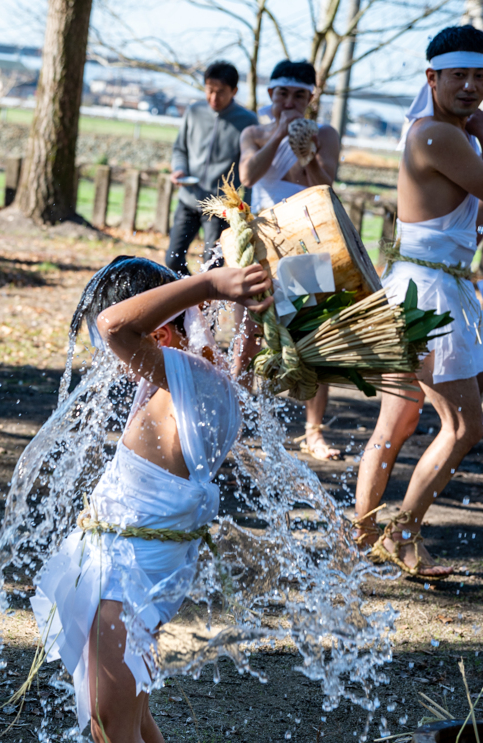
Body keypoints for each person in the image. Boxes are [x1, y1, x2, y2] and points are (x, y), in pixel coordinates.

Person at [31, 255, 273, 743]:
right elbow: (140, 329)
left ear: (158, 328)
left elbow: (114, 325)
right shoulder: (206, 374)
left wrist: (207, 286)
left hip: (130, 570)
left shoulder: (181, 373)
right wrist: (228, 300)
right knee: (125, 718)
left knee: (112, 724)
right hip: (129, 559)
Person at [354, 25, 483, 578]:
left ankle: (358, 538)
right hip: (430, 294)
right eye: (459, 75)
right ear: (431, 78)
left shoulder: (446, 129)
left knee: (398, 420)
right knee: (463, 426)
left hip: (419, 284)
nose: (472, 86)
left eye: (481, 76)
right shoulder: (440, 136)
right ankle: (402, 533)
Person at [238, 60, 342, 461]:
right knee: (249, 335)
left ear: (311, 98)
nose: (290, 101)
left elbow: (326, 187)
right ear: (271, 95)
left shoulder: (326, 134)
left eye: (300, 94)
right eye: (283, 93)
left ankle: (313, 431)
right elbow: (248, 175)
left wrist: (309, 155)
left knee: (315, 340)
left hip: (308, 243)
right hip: (262, 242)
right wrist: (279, 134)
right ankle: (239, 419)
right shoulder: (254, 131)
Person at [166, 61, 257, 276]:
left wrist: (248, 209)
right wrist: (179, 168)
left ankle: (201, 305)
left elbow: (251, 170)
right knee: (172, 259)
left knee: (212, 265)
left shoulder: (248, 122)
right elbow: (180, 148)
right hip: (188, 199)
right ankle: (187, 299)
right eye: (209, 90)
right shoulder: (194, 112)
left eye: (221, 92)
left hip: (220, 207)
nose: (214, 98)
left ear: (234, 91)